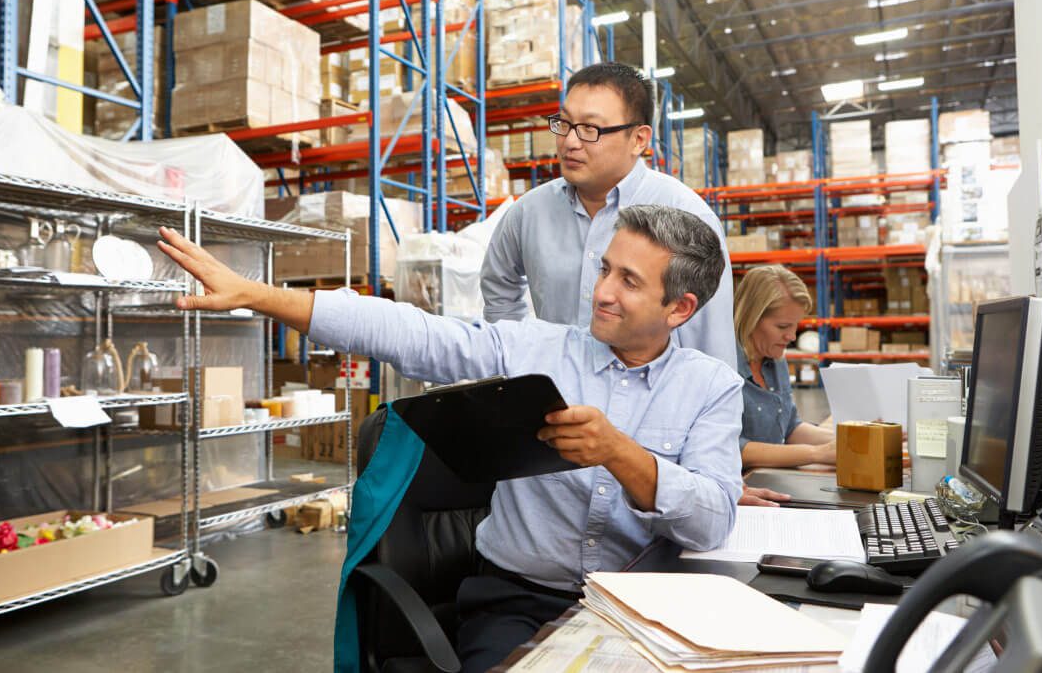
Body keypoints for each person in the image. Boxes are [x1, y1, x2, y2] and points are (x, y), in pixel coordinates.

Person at [156, 206, 742, 673]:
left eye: (629, 281)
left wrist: (619, 452)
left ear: (679, 307)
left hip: (641, 612)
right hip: (516, 602)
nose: (602, 292)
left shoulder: (710, 389)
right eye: (605, 269)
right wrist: (261, 296)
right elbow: (410, 332)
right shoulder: (531, 350)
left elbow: (711, 520)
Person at [480, 62, 736, 370]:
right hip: (555, 399)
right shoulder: (528, 212)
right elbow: (498, 284)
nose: (570, 142)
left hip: (648, 407)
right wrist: (520, 355)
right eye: (564, 124)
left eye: (590, 129)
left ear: (639, 140)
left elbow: (711, 346)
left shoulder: (686, 216)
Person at [734, 265, 835, 469]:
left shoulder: (774, 357)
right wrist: (816, 454)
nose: (792, 337)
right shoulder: (723, 365)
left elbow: (791, 428)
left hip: (771, 478)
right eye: (782, 327)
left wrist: (851, 440)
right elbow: (732, 448)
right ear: (751, 317)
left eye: (796, 325)